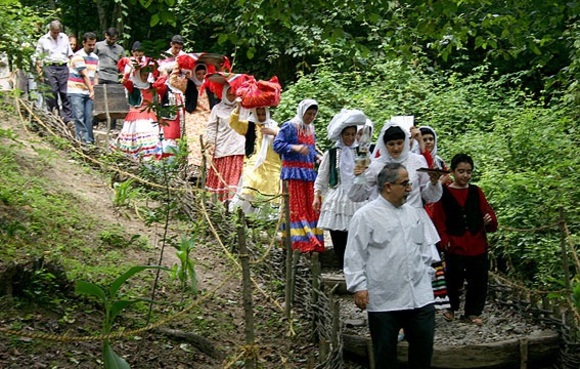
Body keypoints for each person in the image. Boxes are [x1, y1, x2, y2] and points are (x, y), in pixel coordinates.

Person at [344, 162, 438, 369]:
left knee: (423, 351)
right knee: (385, 354)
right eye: (405, 184)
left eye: (409, 183)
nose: (410, 189)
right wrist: (359, 286)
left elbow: (422, 248)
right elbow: (354, 254)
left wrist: (427, 276)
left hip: (419, 296)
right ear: (388, 186)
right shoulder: (365, 216)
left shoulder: (413, 214)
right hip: (385, 298)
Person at [431, 153, 498, 326]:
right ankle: (450, 308)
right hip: (455, 244)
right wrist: (444, 239)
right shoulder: (444, 193)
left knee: (478, 279)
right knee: (453, 278)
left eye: (468, 172)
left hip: (477, 243)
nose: (465, 175)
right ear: (452, 172)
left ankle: (473, 312)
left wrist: (489, 219)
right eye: (461, 171)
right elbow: (439, 219)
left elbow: (488, 212)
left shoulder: (476, 191)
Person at [313, 109, 368, 268]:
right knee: (338, 234)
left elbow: (368, 176)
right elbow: (322, 176)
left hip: (357, 196)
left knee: (356, 233)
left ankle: (356, 266)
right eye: (347, 135)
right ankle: (342, 263)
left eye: (352, 134)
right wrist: (317, 195)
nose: (350, 138)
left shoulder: (361, 152)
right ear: (341, 136)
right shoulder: (332, 153)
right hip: (338, 195)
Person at [273, 99, 324, 253]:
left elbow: (311, 149)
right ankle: (297, 242)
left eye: (313, 114)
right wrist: (294, 147)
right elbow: (277, 145)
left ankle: (312, 239)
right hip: (293, 173)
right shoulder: (290, 126)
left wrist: (317, 158)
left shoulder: (310, 128)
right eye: (308, 113)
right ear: (302, 111)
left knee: (311, 206)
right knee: (296, 207)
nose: (310, 117)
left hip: (308, 174)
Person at [229, 104, 281, 216]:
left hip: (272, 166)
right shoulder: (249, 125)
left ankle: (265, 219)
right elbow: (234, 123)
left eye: (263, 114)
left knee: (270, 192)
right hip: (253, 163)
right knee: (249, 187)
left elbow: (286, 139)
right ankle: (241, 214)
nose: (261, 116)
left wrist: (274, 133)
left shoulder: (274, 127)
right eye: (259, 114)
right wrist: (238, 107)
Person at [111, 57, 161, 161]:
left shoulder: (151, 86)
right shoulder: (133, 87)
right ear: (138, 74)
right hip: (136, 116)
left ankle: (149, 160)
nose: (145, 76)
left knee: (152, 138)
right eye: (143, 74)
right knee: (135, 140)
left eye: (147, 74)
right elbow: (125, 81)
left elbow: (161, 83)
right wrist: (128, 68)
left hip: (150, 116)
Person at [204, 84, 245, 202]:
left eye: (234, 94)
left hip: (239, 147)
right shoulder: (217, 109)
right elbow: (211, 127)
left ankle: (234, 205)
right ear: (224, 94)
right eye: (229, 94)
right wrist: (211, 143)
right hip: (222, 147)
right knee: (222, 177)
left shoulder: (243, 108)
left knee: (236, 179)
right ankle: (220, 206)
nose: (231, 97)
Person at [35, 20, 74, 122]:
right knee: (51, 92)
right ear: (50, 30)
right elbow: (38, 58)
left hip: (63, 67)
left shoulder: (64, 37)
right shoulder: (43, 40)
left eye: (58, 32)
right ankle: (54, 115)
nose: (56, 34)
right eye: (54, 32)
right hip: (49, 67)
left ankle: (68, 119)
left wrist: (73, 67)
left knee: (65, 93)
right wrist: (40, 73)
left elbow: (70, 54)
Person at [67, 32, 99, 145]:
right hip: (76, 90)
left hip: (89, 91)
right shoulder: (78, 56)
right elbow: (84, 75)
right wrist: (91, 90)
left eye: (93, 45)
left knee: (89, 117)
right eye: (89, 45)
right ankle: (82, 141)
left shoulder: (95, 58)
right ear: (84, 43)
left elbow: (95, 75)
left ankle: (89, 140)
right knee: (79, 116)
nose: (92, 47)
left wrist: (94, 89)